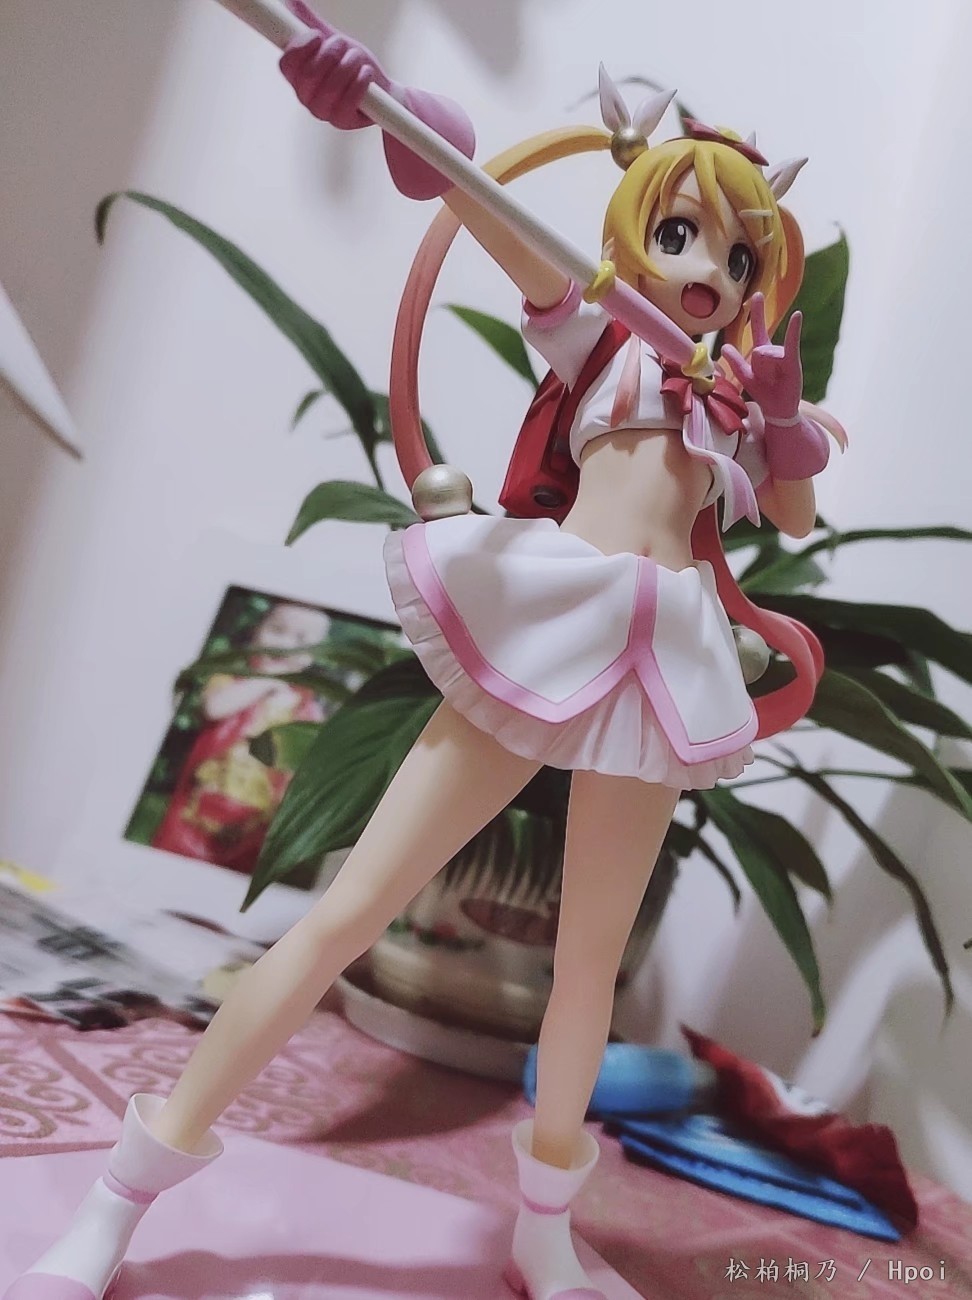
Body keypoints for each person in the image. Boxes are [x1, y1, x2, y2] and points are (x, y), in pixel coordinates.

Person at [5, 9, 843, 1300]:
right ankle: (125, 1194)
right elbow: (480, 204)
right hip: (550, 628)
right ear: (634, 232)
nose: (705, 271)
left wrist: (777, 415)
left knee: (587, 972)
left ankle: (545, 1231)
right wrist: (384, 105)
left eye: (735, 255)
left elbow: (791, 514)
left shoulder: (732, 398)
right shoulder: (602, 337)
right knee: (347, 911)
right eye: (680, 235)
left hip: (662, 668)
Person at [149, 601, 329, 876]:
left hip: (253, 818)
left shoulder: (306, 707)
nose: (284, 644)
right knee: (170, 866)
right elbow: (215, 708)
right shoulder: (230, 680)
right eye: (277, 630)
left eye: (301, 640)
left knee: (232, 877)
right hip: (201, 803)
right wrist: (267, 680)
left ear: (312, 656)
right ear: (256, 632)